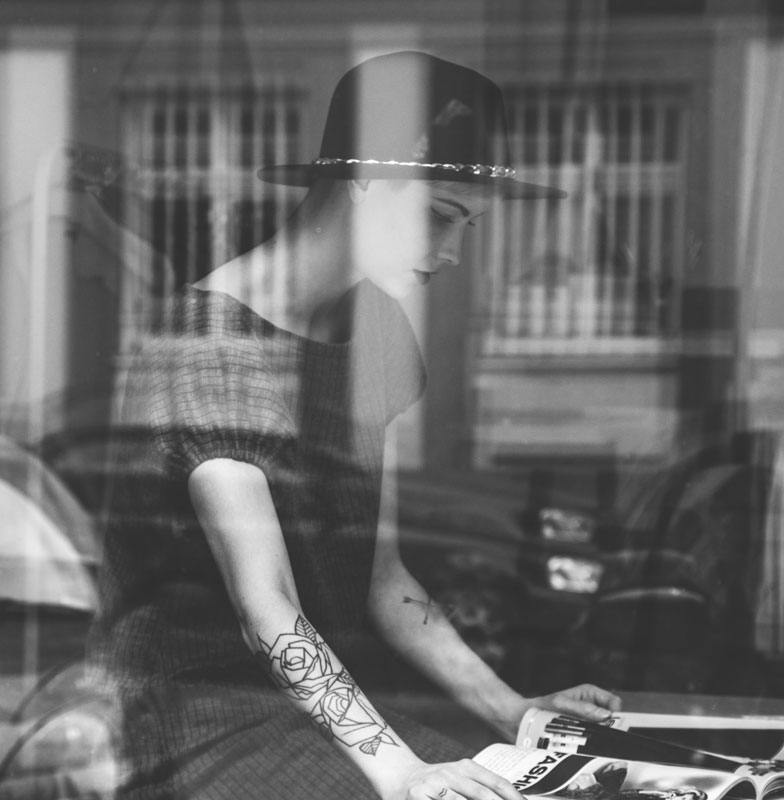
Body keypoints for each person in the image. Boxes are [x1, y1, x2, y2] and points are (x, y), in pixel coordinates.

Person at [88, 50, 620, 800]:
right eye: (439, 214)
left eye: (467, 225)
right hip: (189, 728)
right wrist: (401, 770)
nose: (452, 253)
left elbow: (382, 577)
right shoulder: (209, 344)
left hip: (312, 718)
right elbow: (266, 604)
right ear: (367, 179)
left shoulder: (377, 328)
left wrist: (513, 711)